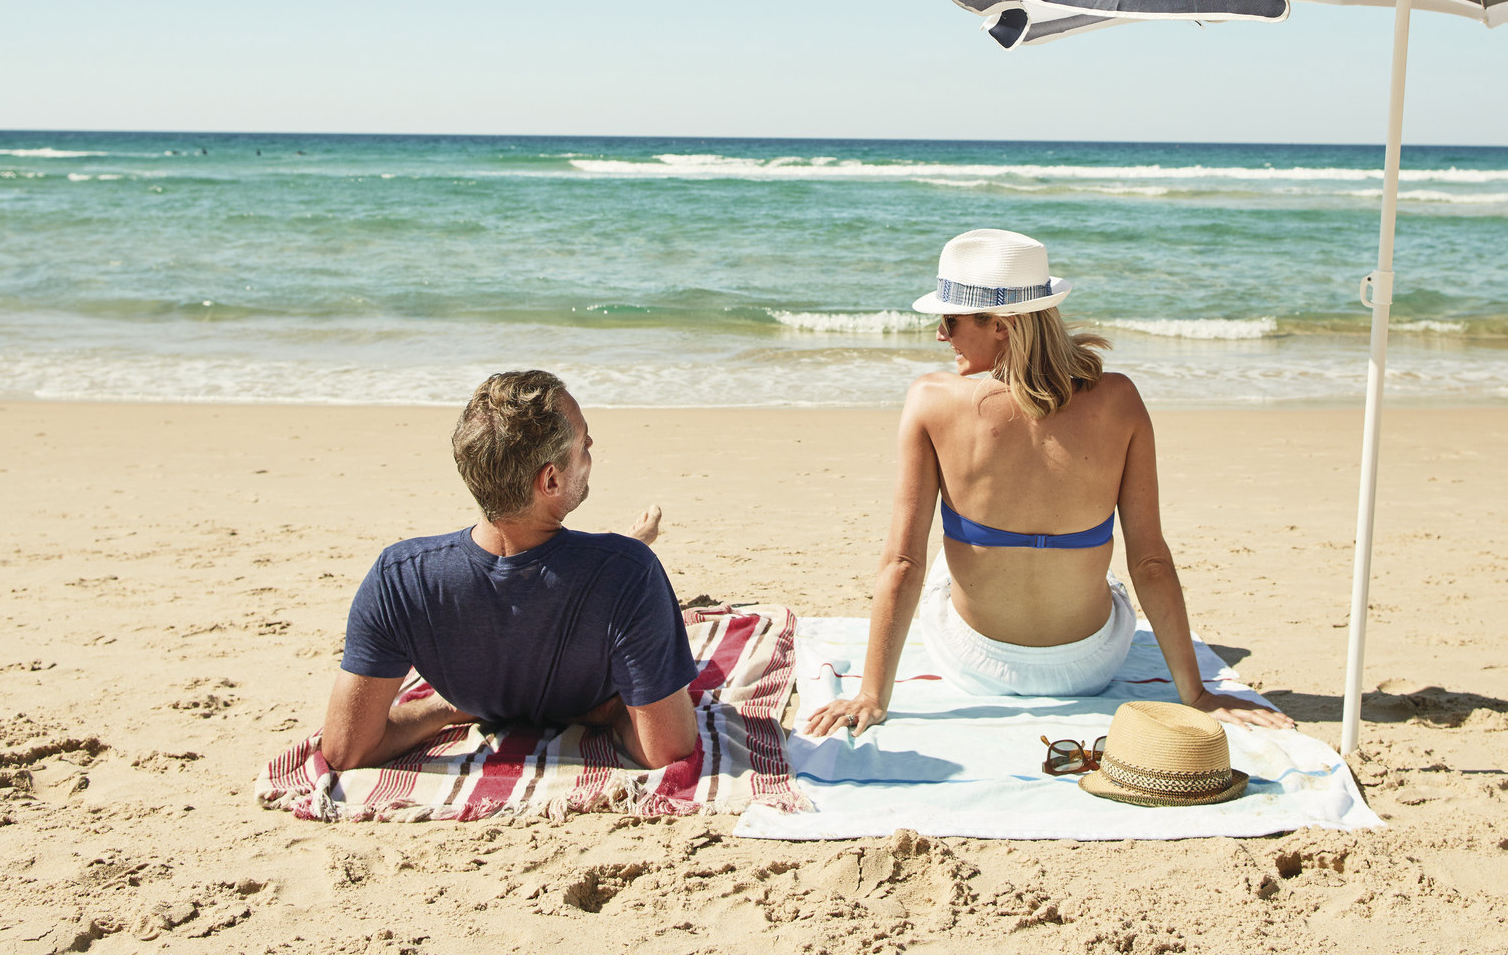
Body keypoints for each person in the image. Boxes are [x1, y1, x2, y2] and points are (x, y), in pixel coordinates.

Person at [804, 229, 1291, 736]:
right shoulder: (1120, 399)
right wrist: (1195, 693)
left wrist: (871, 695)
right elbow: (1150, 561)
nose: (940, 336)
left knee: (933, 572)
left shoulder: (931, 400)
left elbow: (903, 563)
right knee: (1106, 576)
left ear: (999, 325)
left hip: (974, 664)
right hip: (1091, 666)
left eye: (949, 320)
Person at [318, 369, 700, 771]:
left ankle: (633, 537)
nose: (590, 446)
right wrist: (612, 713)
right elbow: (667, 749)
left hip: (478, 689)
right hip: (604, 613)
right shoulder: (629, 574)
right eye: (583, 442)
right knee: (619, 562)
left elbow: (347, 750)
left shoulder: (400, 577)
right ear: (550, 480)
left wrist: (447, 707)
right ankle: (634, 537)